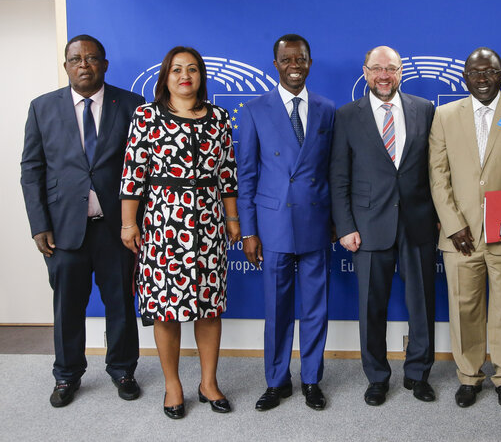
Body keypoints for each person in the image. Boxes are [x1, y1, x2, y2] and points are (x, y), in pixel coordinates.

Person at [20, 34, 143, 408]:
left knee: (120, 303)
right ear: (66, 66)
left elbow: (143, 171)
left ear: (104, 64)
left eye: (92, 58)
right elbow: (31, 168)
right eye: (76, 59)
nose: (84, 65)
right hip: (63, 229)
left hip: (115, 227)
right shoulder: (43, 107)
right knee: (67, 307)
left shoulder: (133, 105)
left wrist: (139, 223)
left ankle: (123, 370)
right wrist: (39, 224)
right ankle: (66, 376)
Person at [120, 46, 240, 419]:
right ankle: (173, 385)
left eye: (192, 69)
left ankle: (208, 382)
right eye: (176, 69)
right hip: (162, 223)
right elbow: (133, 174)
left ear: (201, 76)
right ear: (165, 77)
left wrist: (232, 219)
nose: (184, 75)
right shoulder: (146, 116)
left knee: (209, 307)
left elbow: (227, 173)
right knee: (165, 310)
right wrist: (128, 222)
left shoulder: (219, 118)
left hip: (208, 223)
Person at [428, 47, 501, 410]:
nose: (482, 79)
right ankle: (469, 377)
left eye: (490, 72)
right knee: (464, 308)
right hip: (460, 236)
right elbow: (438, 175)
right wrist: (452, 225)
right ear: (465, 77)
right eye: (475, 72)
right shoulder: (445, 115)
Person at [330, 46, 437, 406]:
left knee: (421, 305)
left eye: (390, 68)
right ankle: (376, 377)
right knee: (370, 308)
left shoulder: (424, 109)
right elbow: (339, 176)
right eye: (376, 68)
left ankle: (418, 374)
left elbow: (435, 170)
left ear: (400, 71)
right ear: (365, 72)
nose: (383, 75)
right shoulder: (347, 115)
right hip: (368, 225)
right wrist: (345, 226)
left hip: (417, 224)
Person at [237, 34, 335, 411]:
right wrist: (248, 230)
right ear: (275, 64)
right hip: (273, 223)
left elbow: (333, 171)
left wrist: (337, 222)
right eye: (287, 59)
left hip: (315, 220)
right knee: (277, 309)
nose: (295, 65)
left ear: (310, 63)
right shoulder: (255, 109)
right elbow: (246, 175)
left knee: (315, 308)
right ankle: (277, 381)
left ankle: (311, 379)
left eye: (302, 58)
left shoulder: (327, 109)